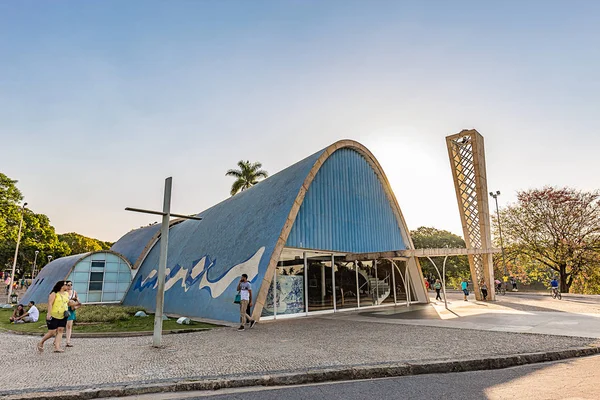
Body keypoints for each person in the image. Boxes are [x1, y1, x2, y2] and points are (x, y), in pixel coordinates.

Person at [37, 281, 69, 353]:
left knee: (60, 330)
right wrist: (49, 313)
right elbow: (50, 303)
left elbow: (67, 302)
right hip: (54, 314)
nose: (67, 286)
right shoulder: (54, 293)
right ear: (61, 286)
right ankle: (41, 342)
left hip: (63, 314)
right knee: (52, 332)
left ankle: (57, 347)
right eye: (66, 284)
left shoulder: (66, 294)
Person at [65, 280, 81, 347]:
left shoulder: (74, 292)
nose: (70, 286)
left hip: (71, 310)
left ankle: (68, 341)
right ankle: (56, 340)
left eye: (71, 285)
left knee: (69, 326)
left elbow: (79, 302)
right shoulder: (64, 292)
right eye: (68, 285)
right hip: (64, 309)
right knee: (61, 326)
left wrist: (75, 306)